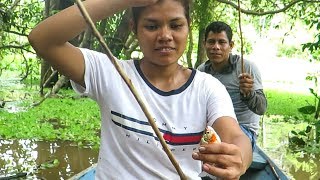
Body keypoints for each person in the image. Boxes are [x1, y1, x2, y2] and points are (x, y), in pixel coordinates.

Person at [28, 0, 252, 179]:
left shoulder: (208, 88)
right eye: (152, 26)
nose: (165, 35)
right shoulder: (111, 72)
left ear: (188, 26)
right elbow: (42, 39)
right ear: (134, 28)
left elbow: (234, 136)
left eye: (175, 25)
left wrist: (239, 158)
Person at [197, 21, 267, 151]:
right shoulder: (202, 71)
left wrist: (249, 94)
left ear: (231, 45)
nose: (216, 47)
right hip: (212, 128)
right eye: (211, 42)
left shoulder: (246, 68)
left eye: (222, 42)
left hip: (243, 130)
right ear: (204, 44)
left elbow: (261, 108)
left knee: (222, 147)